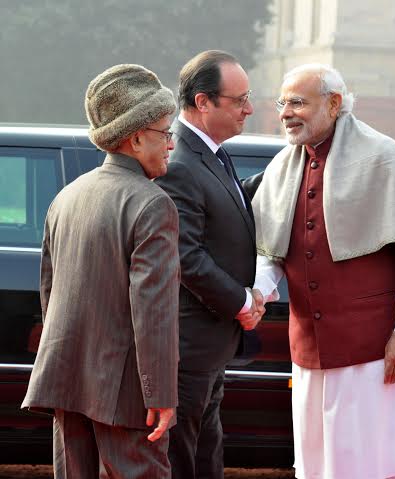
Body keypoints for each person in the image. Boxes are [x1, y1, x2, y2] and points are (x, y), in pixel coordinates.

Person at [251, 64, 395, 479]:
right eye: (282, 102)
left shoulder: (384, 157)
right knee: (316, 464)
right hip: (309, 349)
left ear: (334, 103)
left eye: (298, 103)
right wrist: (255, 295)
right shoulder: (283, 167)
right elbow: (270, 252)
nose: (286, 112)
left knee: (372, 464)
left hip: (374, 352)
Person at [21, 64, 181, 478]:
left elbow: (49, 294)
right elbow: (154, 312)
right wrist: (161, 394)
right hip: (126, 393)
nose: (171, 144)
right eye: (166, 133)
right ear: (136, 137)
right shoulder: (152, 203)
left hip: (66, 379)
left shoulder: (67, 196)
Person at [154, 50, 264, 479]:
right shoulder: (180, 161)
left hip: (210, 345)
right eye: (239, 100)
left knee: (205, 453)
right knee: (184, 458)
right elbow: (187, 255)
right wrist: (241, 301)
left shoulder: (212, 152)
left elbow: (226, 203)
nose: (249, 109)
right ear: (203, 102)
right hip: (189, 346)